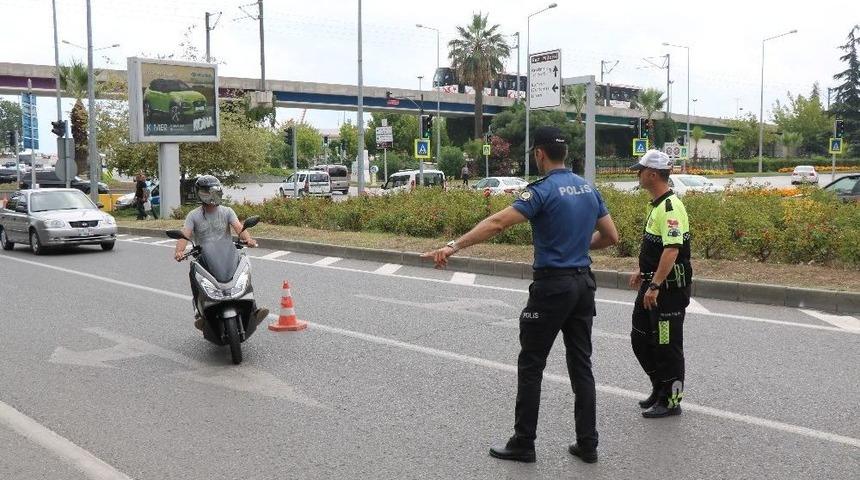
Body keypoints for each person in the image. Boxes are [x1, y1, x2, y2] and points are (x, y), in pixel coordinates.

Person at [423, 126, 619, 464]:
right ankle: (588, 444)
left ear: (540, 154)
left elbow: (498, 223)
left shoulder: (541, 191)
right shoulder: (588, 188)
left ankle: (523, 442)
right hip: (583, 284)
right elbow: (611, 236)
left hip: (552, 288)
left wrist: (454, 245)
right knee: (581, 365)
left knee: (531, 365)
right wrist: (576, 246)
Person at [628, 150, 693, 419]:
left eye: (640, 170)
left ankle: (672, 399)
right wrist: (641, 271)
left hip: (667, 292)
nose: (638, 174)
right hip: (652, 283)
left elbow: (672, 250)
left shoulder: (670, 207)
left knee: (667, 345)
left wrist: (654, 286)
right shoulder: (655, 205)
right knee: (640, 338)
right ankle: (659, 387)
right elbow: (656, 248)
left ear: (652, 174)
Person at [173, 175, 269, 330]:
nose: (212, 196)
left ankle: (253, 308)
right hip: (204, 257)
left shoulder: (227, 211)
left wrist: (248, 240)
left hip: (227, 253)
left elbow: (239, 228)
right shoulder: (193, 215)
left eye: (215, 191)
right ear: (200, 194)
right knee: (193, 272)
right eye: (207, 192)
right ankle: (199, 313)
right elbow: (185, 234)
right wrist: (179, 251)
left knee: (244, 269)